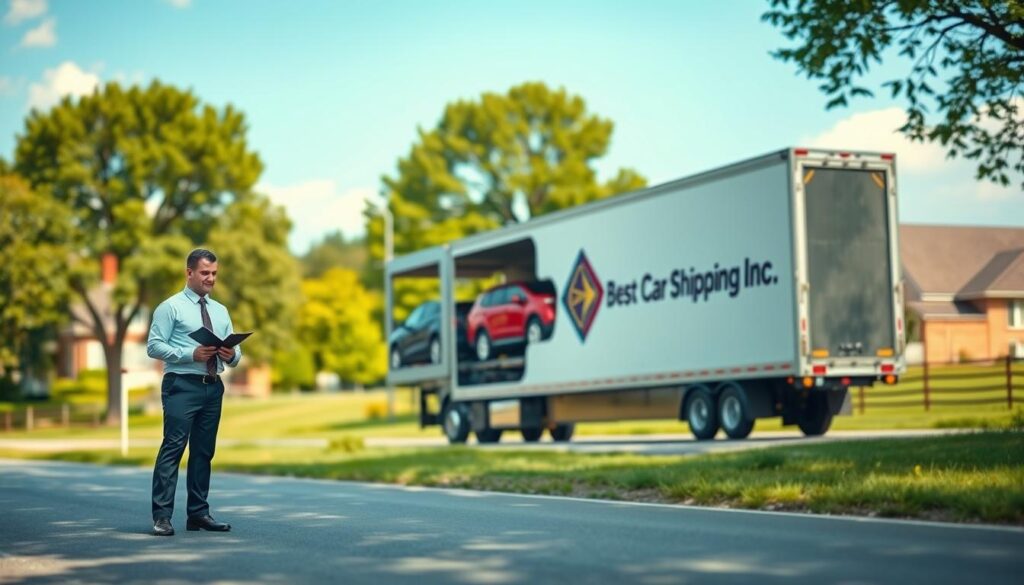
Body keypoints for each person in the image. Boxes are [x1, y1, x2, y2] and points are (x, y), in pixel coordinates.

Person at [146, 248, 241, 536]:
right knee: (173, 449)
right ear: (189, 272)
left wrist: (230, 354)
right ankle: (162, 517)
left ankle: (198, 513)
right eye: (205, 273)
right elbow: (154, 345)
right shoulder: (170, 307)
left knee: (203, 452)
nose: (210, 278)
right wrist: (191, 353)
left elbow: (237, 354)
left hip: (213, 388)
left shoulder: (220, 310)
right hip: (181, 386)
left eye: (214, 273)